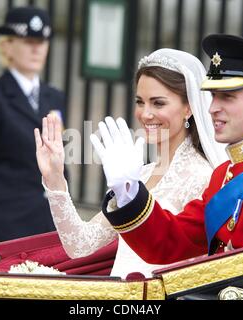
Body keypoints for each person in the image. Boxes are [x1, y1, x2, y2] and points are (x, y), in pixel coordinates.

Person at [92, 34, 243, 264]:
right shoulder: (224, 173)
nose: (213, 108)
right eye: (213, 96)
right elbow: (172, 242)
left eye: (227, 97)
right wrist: (129, 192)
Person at [35, 49, 227, 278]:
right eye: (140, 102)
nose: (145, 114)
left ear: (188, 108)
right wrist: (55, 179)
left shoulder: (203, 176)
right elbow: (80, 245)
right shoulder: (140, 174)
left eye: (158, 103)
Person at [0, 7, 66, 250]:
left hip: (46, 228)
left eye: (42, 41)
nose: (37, 48)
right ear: (7, 46)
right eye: (28, 41)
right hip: (4, 231)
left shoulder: (54, 98)